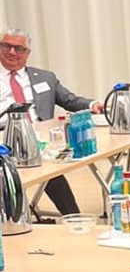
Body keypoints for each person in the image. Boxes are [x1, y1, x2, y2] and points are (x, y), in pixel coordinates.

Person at [0, 30, 102, 216]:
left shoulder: (45, 77)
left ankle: (72, 216)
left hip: (41, 140)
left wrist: (92, 105)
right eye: (6, 46)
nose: (12, 52)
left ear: (27, 53)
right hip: (5, 141)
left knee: (50, 168)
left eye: (19, 48)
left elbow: (69, 100)